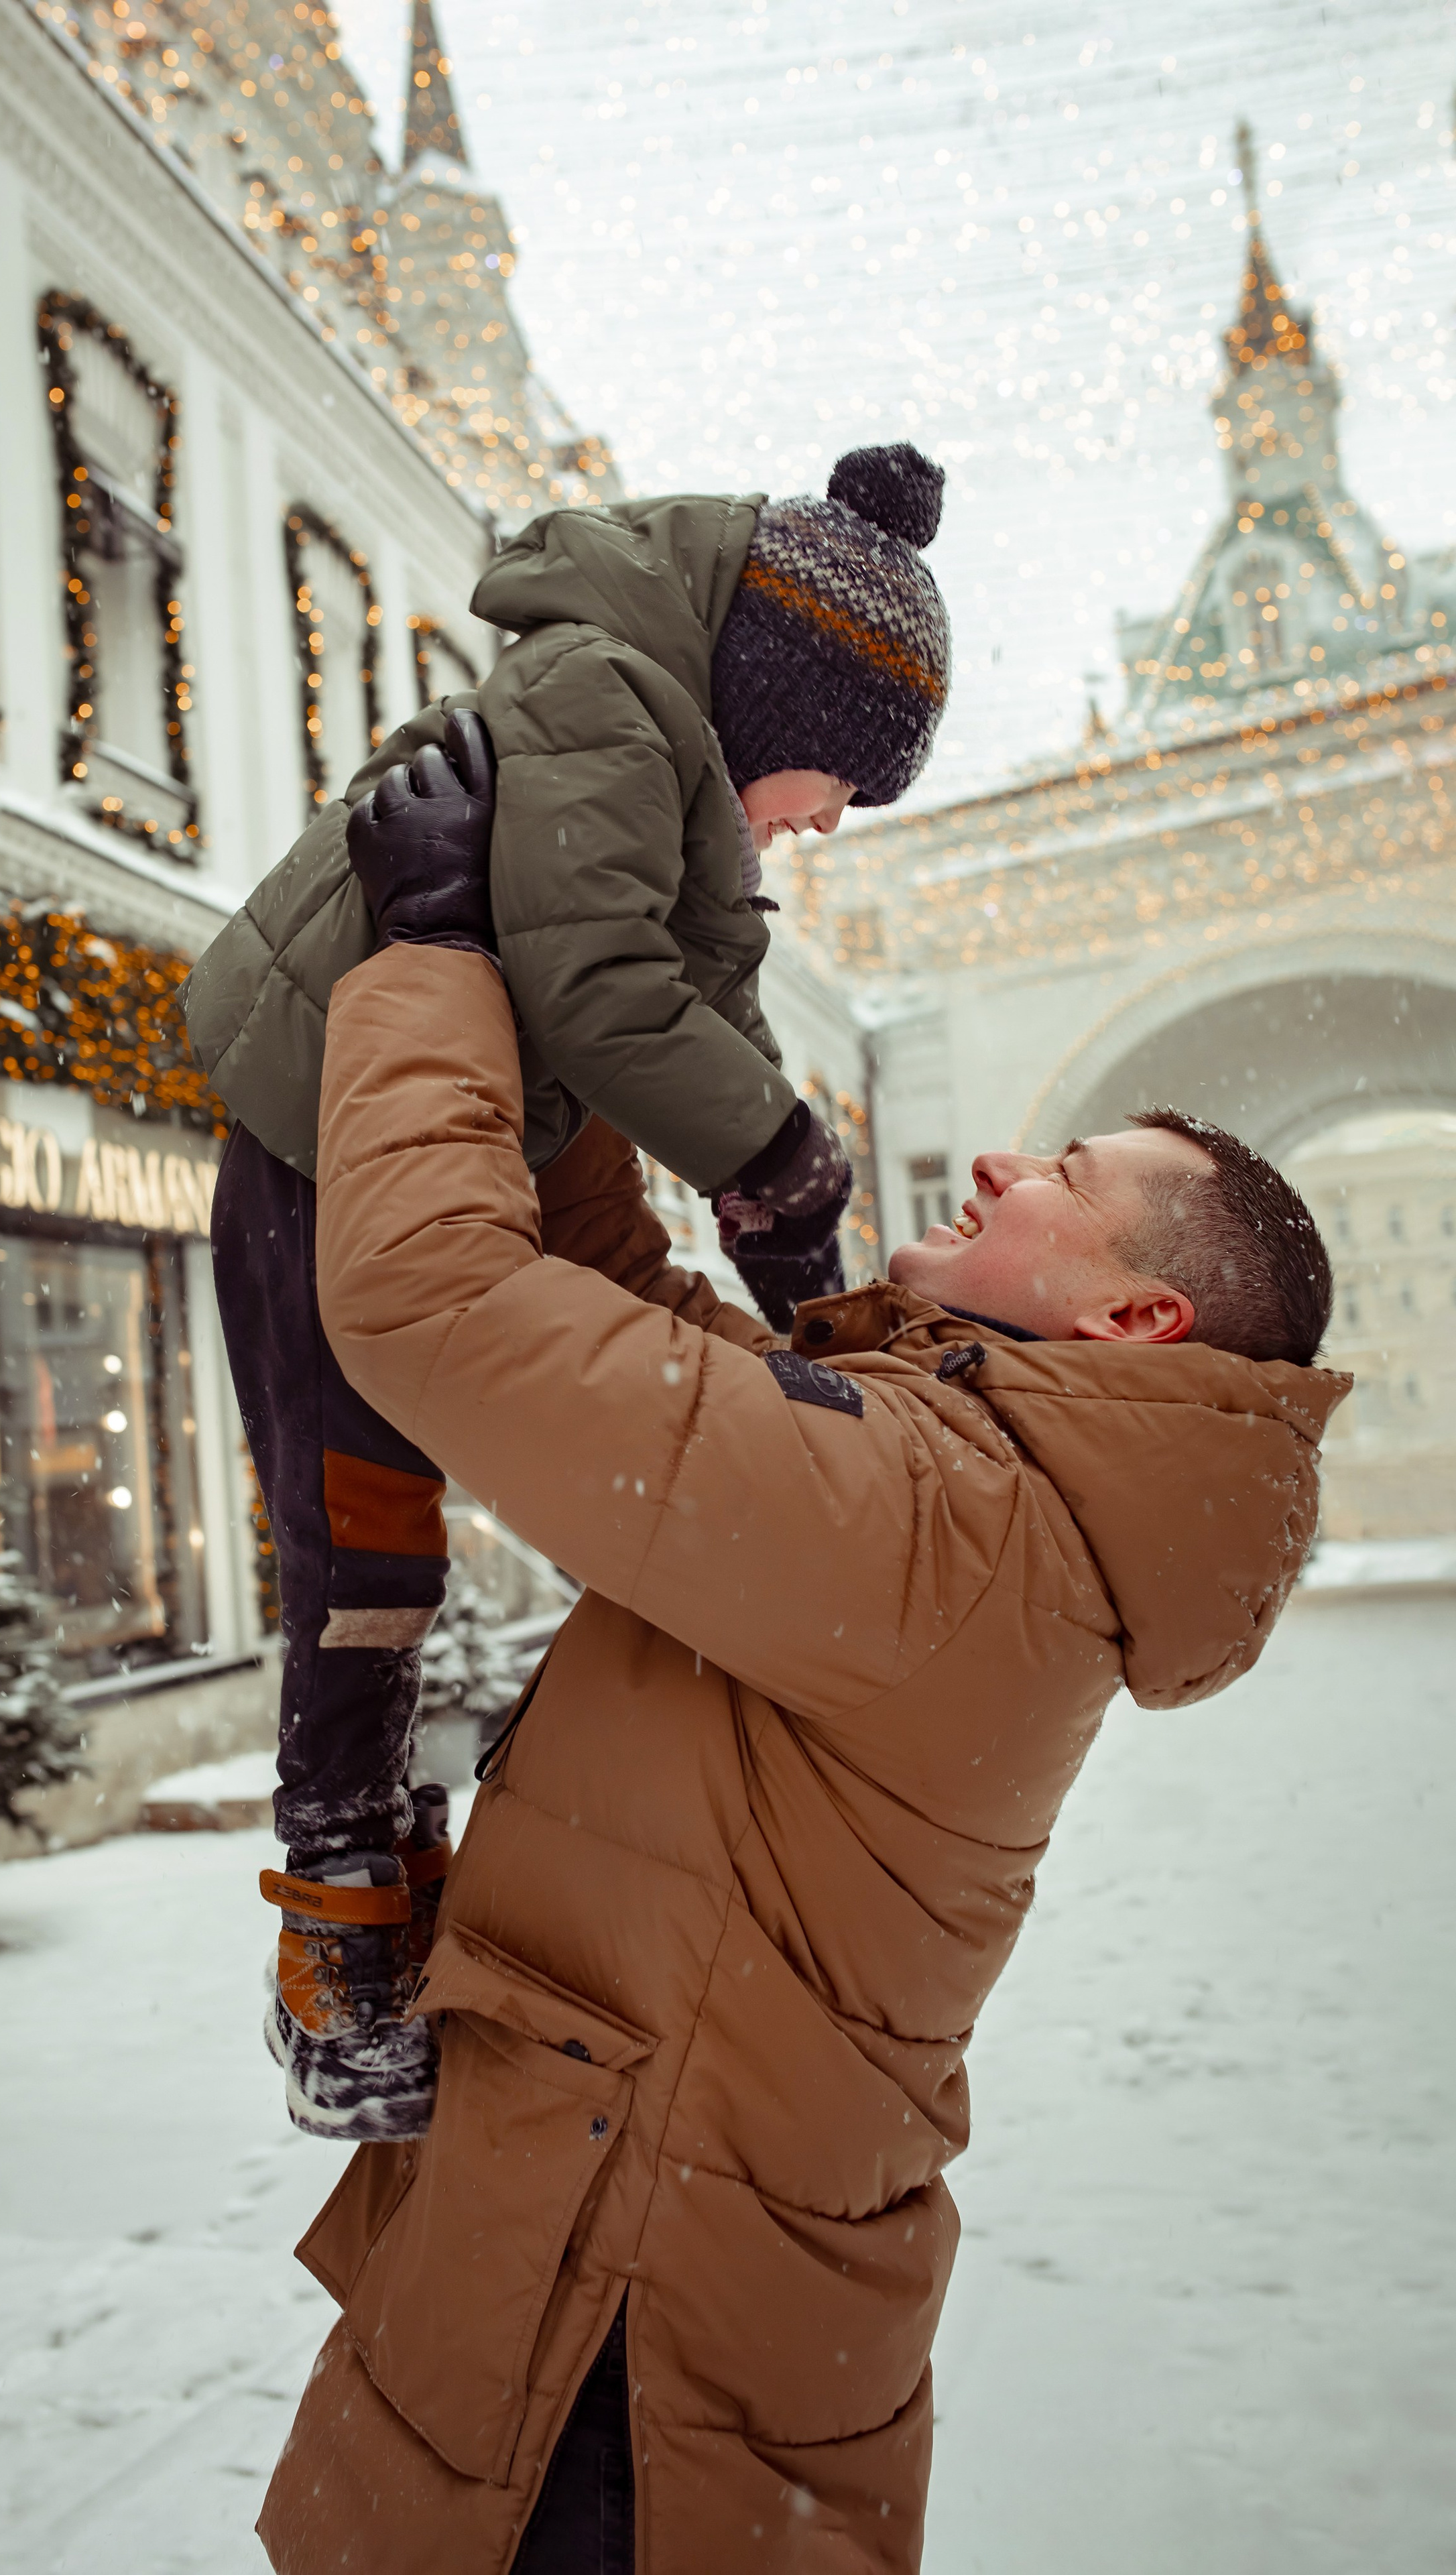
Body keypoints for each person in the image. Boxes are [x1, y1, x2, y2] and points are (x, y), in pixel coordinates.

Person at [250, 754, 1348, 2574]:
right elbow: (608, 1292)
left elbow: (441, 1304)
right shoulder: (960, 1481)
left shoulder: (945, 1528)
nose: (999, 1160)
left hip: (615, 2370)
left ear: (1134, 1317)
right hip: (615, 2281)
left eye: (1065, 1177)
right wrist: (580, 980)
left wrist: (432, 946)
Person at [182, 446, 952, 2141]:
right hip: (323, 1126)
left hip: (468, 1128)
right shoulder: (606, 696)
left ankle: (410, 1871)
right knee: (362, 1540)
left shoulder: (668, 760)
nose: (827, 821)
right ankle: (338, 1927)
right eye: (839, 782)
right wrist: (774, 1151)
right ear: (778, 699)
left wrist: (783, 1218)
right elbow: (600, 993)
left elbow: (702, 998)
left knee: (488, 1493)